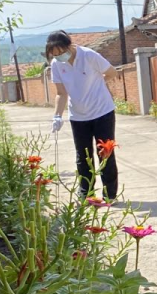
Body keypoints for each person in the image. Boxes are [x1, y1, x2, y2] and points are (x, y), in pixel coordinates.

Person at [46, 30, 119, 202]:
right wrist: (57, 115)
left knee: (105, 153)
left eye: (61, 52)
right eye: (55, 55)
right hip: (78, 116)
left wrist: (99, 82)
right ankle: (86, 193)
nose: (59, 57)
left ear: (69, 45)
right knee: (83, 156)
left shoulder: (89, 56)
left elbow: (112, 72)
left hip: (102, 111)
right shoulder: (57, 64)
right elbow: (61, 93)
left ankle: (110, 195)